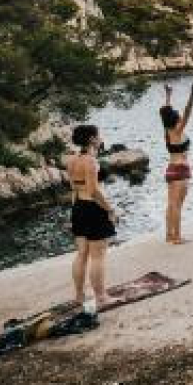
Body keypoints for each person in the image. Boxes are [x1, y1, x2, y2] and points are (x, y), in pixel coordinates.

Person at [67, 124, 116, 310]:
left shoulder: (72, 160)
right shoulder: (91, 162)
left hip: (78, 207)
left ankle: (79, 295)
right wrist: (110, 209)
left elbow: (74, 189)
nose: (100, 138)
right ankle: (101, 297)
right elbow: (94, 191)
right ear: (91, 139)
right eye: (98, 135)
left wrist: (74, 212)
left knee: (81, 254)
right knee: (98, 256)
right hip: (93, 209)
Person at [159, 83, 193, 245]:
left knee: (171, 204)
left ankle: (169, 235)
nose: (181, 116)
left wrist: (168, 95)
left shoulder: (167, 131)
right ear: (176, 119)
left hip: (171, 169)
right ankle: (177, 237)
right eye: (178, 115)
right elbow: (188, 113)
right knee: (177, 206)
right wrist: (192, 96)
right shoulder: (177, 131)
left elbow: (165, 113)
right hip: (181, 170)